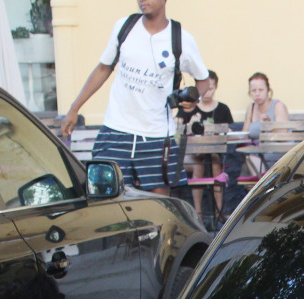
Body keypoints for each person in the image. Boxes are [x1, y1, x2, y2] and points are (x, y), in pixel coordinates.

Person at [60, 0, 208, 196]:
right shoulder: (124, 27)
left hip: (156, 136)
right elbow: (104, 68)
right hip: (116, 131)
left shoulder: (180, 38)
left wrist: (193, 99)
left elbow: (203, 81)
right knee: (104, 199)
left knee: (158, 208)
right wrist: (74, 108)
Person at [178, 70, 232, 220]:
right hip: (192, 154)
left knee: (215, 161)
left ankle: (218, 212)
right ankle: (199, 212)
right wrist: (190, 124)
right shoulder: (189, 107)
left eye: (211, 88)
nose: (208, 92)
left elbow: (229, 131)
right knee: (199, 165)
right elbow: (178, 130)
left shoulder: (222, 109)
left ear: (216, 88)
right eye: (205, 88)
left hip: (214, 152)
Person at [242, 72, 290, 176]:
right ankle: (261, 185)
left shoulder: (277, 106)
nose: (257, 94)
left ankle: (261, 185)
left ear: (268, 90)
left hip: (276, 151)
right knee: (247, 155)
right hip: (256, 151)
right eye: (253, 90)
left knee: (250, 156)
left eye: (261, 90)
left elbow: (284, 138)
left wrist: (269, 125)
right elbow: (244, 135)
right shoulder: (251, 107)